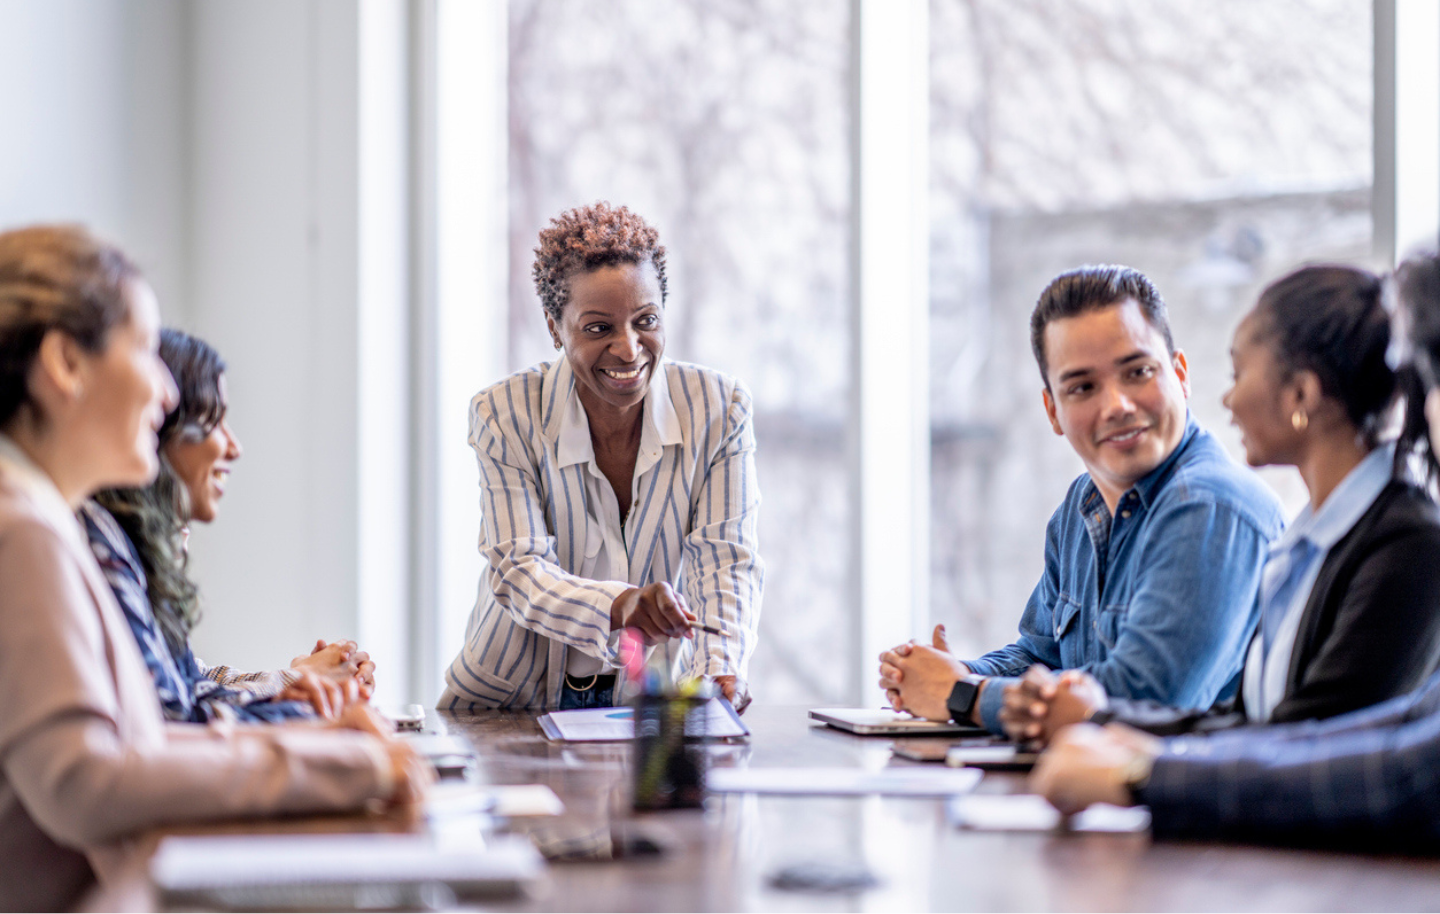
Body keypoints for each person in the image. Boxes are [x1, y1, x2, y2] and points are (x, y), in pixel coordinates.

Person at [0, 225, 429, 909]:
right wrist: (345, 768)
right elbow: (83, 784)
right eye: (144, 349)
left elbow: (138, 742)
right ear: (65, 364)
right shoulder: (22, 529)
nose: (168, 392)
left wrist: (325, 749)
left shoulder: (39, 518)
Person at [1031, 249, 1440, 851]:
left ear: (1300, 394)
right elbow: (1263, 724)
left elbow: (1340, 755)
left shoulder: (1407, 545)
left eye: (1238, 372)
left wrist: (1141, 770)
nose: (1227, 401)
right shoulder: (1311, 541)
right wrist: (1110, 726)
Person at [880, 265, 1284, 734]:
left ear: (1179, 375)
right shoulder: (1081, 506)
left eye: (1138, 372)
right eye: (1083, 388)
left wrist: (962, 695)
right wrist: (946, 675)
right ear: (1053, 410)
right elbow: (1040, 656)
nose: (1117, 405)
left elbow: (1140, 702)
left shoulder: (1210, 508)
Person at [439, 202, 763, 712]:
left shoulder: (719, 410)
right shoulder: (503, 413)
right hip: (509, 706)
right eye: (598, 328)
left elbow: (724, 559)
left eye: (645, 320)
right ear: (555, 328)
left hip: (643, 705)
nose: (629, 349)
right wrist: (620, 604)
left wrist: (717, 666)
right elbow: (519, 569)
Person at [85, 328, 376, 723]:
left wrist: (295, 682)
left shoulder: (131, 544)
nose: (234, 447)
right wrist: (294, 697)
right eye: (212, 421)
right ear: (159, 428)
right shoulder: (102, 544)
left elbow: (189, 680)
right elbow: (174, 715)